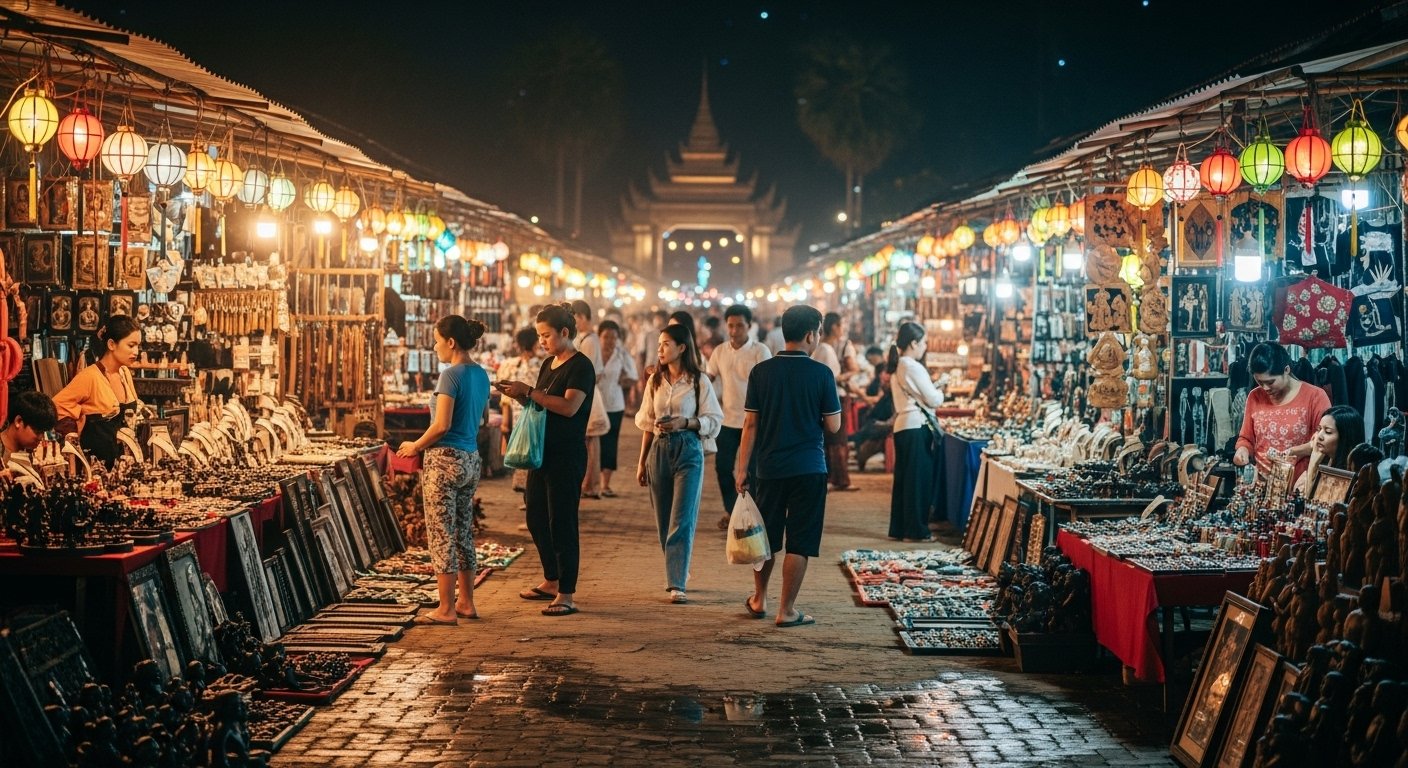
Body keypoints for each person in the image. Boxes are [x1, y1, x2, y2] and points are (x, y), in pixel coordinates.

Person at [735, 305, 842, 627]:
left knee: (765, 538)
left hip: (768, 468)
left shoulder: (762, 372)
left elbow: (750, 425)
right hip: (809, 467)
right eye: (819, 332)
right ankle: (787, 610)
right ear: (811, 335)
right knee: (801, 540)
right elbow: (834, 426)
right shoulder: (821, 374)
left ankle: (759, 600)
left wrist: (741, 468)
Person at [495, 304, 595, 617]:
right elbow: (541, 404)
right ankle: (551, 579)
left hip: (567, 454)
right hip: (541, 452)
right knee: (536, 517)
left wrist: (532, 393)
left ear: (565, 333)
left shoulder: (581, 367)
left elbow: (568, 407)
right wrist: (520, 395)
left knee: (562, 521)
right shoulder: (549, 364)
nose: (542, 341)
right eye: (539, 336)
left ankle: (567, 592)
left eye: (547, 335)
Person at [397, 316, 490, 625]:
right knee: (463, 530)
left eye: (437, 341)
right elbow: (482, 419)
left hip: (445, 460)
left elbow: (442, 425)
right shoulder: (481, 375)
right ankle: (466, 602)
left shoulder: (450, 376)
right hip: (470, 459)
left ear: (451, 342)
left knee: (441, 532)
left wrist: (415, 446)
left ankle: (446, 608)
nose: (435, 347)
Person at [635, 324, 722, 604]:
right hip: (659, 450)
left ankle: (676, 582)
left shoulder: (699, 381)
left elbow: (713, 420)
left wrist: (686, 422)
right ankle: (678, 567)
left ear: (682, 348)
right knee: (663, 520)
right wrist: (641, 462)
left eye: (666, 344)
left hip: (689, 449)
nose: (659, 349)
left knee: (681, 518)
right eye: (659, 344)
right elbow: (647, 422)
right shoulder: (655, 382)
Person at [706, 303, 772, 530]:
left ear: (749, 326)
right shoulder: (720, 352)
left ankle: (751, 517)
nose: (734, 331)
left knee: (753, 472)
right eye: (731, 326)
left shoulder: (760, 351)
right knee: (722, 468)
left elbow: (768, 387)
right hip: (727, 421)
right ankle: (732, 511)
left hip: (754, 423)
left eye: (739, 326)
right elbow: (708, 379)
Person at [54, 314, 146, 468]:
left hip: (123, 463)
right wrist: (72, 434)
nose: (136, 352)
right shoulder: (90, 376)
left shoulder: (125, 373)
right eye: (131, 345)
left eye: (138, 346)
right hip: (96, 465)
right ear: (111, 344)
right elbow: (57, 405)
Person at [1233, 341, 1332, 482]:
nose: (1265, 388)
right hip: (1261, 486)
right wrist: (1242, 450)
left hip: (1299, 486)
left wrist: (1295, 452)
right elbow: (1246, 438)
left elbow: (1326, 441)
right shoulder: (1255, 396)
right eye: (1260, 382)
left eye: (1271, 382)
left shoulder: (1315, 397)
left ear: (1286, 370)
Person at [887, 322, 945, 541]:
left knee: (904, 480)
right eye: (923, 342)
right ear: (913, 343)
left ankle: (900, 528)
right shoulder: (911, 365)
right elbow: (932, 399)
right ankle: (916, 530)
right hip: (915, 426)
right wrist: (940, 392)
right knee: (917, 481)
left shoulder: (899, 365)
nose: (925, 346)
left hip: (904, 426)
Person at [812, 312, 860, 492]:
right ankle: (839, 478)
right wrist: (844, 377)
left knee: (830, 439)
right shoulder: (828, 349)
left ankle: (832, 477)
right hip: (835, 397)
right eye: (841, 326)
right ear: (834, 326)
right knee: (838, 438)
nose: (842, 330)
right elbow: (834, 376)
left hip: (824, 398)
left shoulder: (820, 348)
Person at [596, 320, 638, 497]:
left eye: (614, 337)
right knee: (591, 443)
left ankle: (605, 484)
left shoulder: (622, 355)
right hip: (594, 404)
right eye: (606, 337)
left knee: (609, 443)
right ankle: (589, 482)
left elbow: (633, 377)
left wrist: (622, 381)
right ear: (599, 337)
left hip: (615, 404)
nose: (610, 341)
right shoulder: (592, 353)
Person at [572, 301, 606, 499]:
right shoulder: (586, 339)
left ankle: (591, 484)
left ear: (582, 317)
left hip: (588, 396)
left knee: (590, 441)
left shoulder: (589, 341)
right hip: (586, 395)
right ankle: (589, 483)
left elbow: (588, 371)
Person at [1294, 404, 1364, 496]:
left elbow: (1310, 505)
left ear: (1345, 438)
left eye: (1328, 432)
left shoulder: (1349, 479)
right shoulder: (1323, 462)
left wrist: (1313, 466)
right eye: (1319, 429)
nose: (1319, 436)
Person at [1, 391, 57, 466]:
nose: (41, 437)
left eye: (43, 432)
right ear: (18, 421)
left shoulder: (28, 451)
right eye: (37, 431)